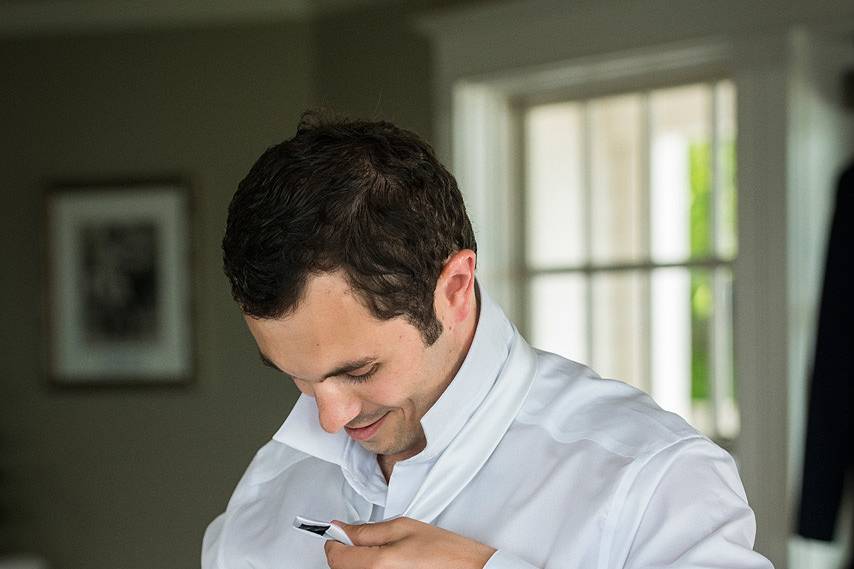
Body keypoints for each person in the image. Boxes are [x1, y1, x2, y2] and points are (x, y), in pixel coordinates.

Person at [203, 112, 774, 569]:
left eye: (359, 372)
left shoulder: (654, 479)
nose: (328, 420)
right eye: (299, 379)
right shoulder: (269, 487)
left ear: (453, 288)